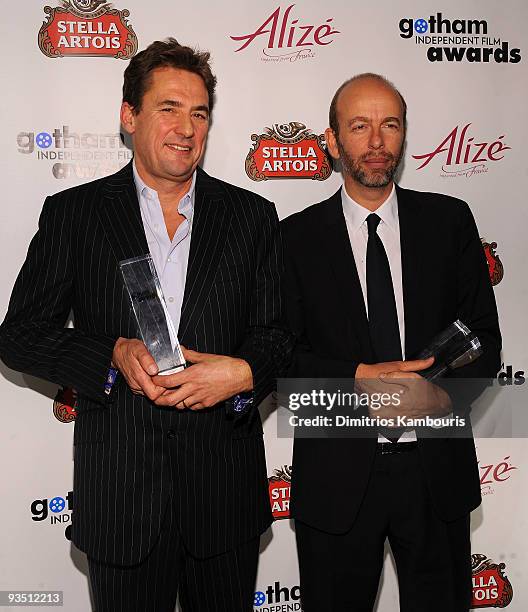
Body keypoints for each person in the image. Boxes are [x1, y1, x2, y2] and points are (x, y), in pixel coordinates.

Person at [0, 39, 289, 612]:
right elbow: (19, 333)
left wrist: (243, 373)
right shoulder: (75, 214)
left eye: (199, 112)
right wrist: (109, 353)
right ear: (129, 116)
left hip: (223, 499)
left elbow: (280, 335)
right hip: (121, 502)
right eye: (169, 108)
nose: (186, 127)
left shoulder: (251, 216)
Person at [281, 73, 501, 611]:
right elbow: (282, 359)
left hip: (435, 477)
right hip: (336, 478)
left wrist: (441, 399)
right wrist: (357, 380)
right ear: (331, 142)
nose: (377, 142)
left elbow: (486, 343)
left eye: (390, 125)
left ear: (404, 136)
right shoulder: (294, 238)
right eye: (359, 126)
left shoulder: (449, 222)